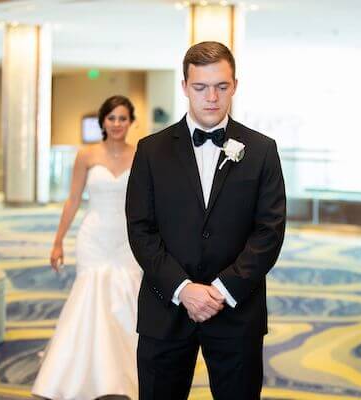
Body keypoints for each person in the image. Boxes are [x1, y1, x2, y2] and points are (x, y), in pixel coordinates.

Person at [125, 41, 286, 400]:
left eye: (221, 86)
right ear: (184, 87)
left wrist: (222, 290)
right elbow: (140, 229)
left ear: (235, 85)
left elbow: (269, 232)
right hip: (165, 308)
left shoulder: (262, 151)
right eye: (200, 87)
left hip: (236, 309)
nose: (211, 97)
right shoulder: (151, 151)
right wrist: (183, 289)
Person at [32, 95, 142, 400]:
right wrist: (58, 242)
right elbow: (72, 199)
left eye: (123, 118)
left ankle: (129, 369)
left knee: (128, 296)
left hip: (127, 238)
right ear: (103, 122)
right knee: (90, 298)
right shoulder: (87, 155)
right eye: (111, 118)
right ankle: (83, 369)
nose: (117, 124)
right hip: (93, 237)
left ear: (131, 122)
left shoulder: (141, 155)